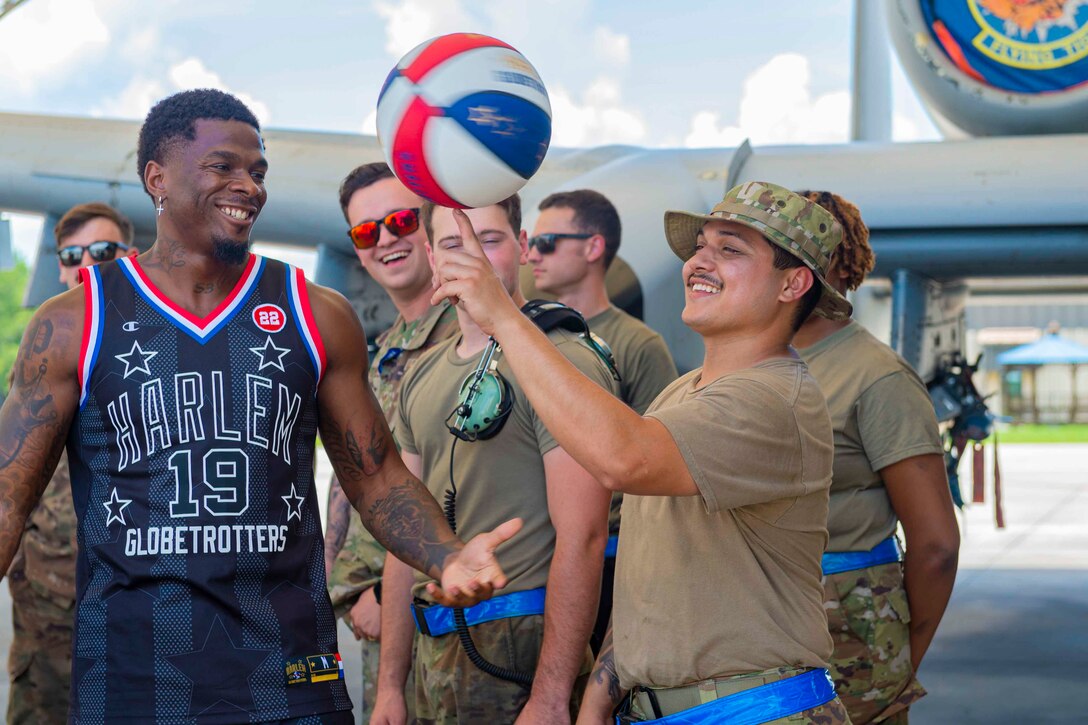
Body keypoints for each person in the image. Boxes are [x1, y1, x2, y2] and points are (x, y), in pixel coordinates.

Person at [0, 89, 518, 724]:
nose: (248, 186)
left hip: (292, 679)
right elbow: (7, 498)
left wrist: (447, 554)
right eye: (223, 167)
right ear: (156, 178)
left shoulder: (315, 312)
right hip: (134, 684)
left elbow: (377, 476)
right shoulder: (76, 322)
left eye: (258, 171)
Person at [428, 181, 857, 724]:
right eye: (700, 246)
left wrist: (504, 318)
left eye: (730, 249)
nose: (699, 262)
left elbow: (622, 458)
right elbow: (645, 580)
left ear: (793, 283)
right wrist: (596, 703)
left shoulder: (774, 400)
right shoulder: (683, 394)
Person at [371, 197, 618, 725]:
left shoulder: (563, 360)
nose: (471, 260)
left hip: (522, 645)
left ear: (523, 248)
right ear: (432, 259)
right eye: (452, 244)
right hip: (435, 652)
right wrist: (390, 687)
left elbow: (586, 536)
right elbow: (403, 533)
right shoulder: (421, 373)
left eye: (489, 239)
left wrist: (551, 697)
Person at [792, 190, 960, 724]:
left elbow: (935, 546)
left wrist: (897, 659)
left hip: (851, 640)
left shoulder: (875, 376)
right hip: (767, 627)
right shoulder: (758, 365)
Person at [323, 162, 458, 722]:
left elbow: (460, 484)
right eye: (365, 231)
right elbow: (353, 474)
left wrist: (386, 591)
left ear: (430, 223)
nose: (385, 239)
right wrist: (340, 588)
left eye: (401, 219)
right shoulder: (382, 350)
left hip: (442, 615)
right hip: (380, 620)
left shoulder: (471, 335)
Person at [528, 189, 677, 651]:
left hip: (611, 557)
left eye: (547, 241)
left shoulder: (639, 345)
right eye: (529, 242)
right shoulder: (527, 336)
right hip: (534, 557)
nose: (532, 254)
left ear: (593, 248)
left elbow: (658, 463)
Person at [6, 202, 136, 725]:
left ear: (127, 257)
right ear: (60, 266)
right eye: (72, 254)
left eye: (101, 251)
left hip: (134, 610)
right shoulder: (40, 352)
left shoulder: (155, 349)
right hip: (46, 614)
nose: (85, 263)